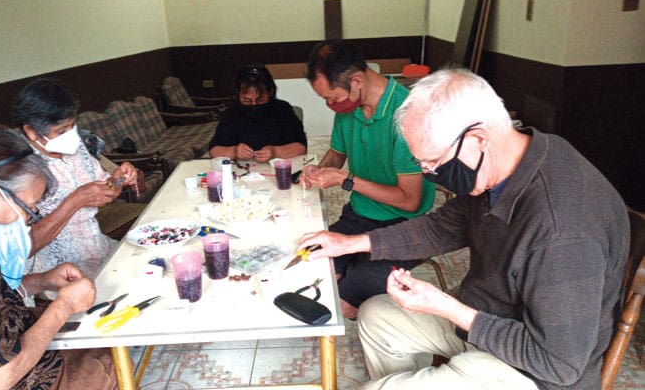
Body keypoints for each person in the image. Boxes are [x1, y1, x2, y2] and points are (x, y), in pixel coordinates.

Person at [297, 69, 629, 389]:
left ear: (478, 139)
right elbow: (439, 229)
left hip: (533, 372)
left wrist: (444, 306)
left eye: (432, 163)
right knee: (376, 315)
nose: (428, 174)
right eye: (421, 164)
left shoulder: (562, 230)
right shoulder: (501, 165)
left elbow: (559, 364)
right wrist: (350, 243)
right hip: (485, 322)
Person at [0, 124, 116, 389]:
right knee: (109, 361)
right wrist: (65, 306)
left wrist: (42, 281)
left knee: (98, 332)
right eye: (30, 208)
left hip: (13, 337)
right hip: (6, 378)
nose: (29, 218)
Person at [301, 39, 435, 318]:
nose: (330, 105)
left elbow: (410, 201)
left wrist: (346, 179)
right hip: (360, 215)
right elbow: (337, 154)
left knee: (344, 301)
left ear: (357, 80)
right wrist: (319, 170)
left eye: (333, 98)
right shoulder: (349, 108)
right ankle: (353, 268)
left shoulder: (407, 115)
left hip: (404, 226)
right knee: (312, 264)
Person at [12, 78, 138, 279]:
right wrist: (75, 200)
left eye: (72, 126)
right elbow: (18, 251)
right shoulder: (16, 169)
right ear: (31, 131)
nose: (71, 135)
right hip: (55, 275)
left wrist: (118, 179)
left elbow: (106, 189)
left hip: (97, 252)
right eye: (61, 131)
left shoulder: (76, 148)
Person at [208, 64, 307, 162]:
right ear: (238, 95)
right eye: (247, 101)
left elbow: (301, 147)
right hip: (242, 172)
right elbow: (214, 151)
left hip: (277, 169)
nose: (253, 104)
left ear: (270, 93)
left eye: (260, 100)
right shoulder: (231, 113)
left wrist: (275, 151)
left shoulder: (282, 110)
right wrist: (234, 151)